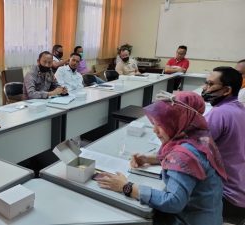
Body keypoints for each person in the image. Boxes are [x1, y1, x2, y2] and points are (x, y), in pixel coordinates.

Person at [95, 91, 227, 225]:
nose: (155, 130)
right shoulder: (198, 134)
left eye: (161, 124)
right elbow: (193, 159)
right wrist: (150, 159)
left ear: (180, 121)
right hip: (210, 214)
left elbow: (173, 202)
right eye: (154, 123)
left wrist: (126, 186)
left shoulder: (183, 155)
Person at [202, 66, 245, 223]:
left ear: (226, 90)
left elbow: (190, 149)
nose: (205, 88)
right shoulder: (239, 108)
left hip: (226, 198)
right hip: (239, 192)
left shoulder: (219, 113)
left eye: (210, 84)